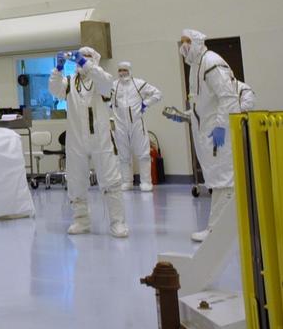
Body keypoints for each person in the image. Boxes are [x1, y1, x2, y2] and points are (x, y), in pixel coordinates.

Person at [164, 29, 239, 242]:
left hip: (218, 134)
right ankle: (222, 229)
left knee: (224, 181)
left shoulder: (211, 62)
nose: (184, 46)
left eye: (188, 41)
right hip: (207, 133)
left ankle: (218, 231)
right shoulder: (195, 67)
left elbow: (228, 98)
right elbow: (203, 106)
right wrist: (185, 116)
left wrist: (221, 126)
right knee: (217, 180)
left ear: (198, 42)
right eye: (182, 42)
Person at [49, 47, 128, 237]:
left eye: (87, 57)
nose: (82, 60)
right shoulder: (70, 82)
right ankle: (81, 220)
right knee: (76, 180)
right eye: (80, 56)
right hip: (76, 139)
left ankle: (117, 222)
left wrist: (86, 64)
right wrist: (58, 70)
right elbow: (55, 90)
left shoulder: (100, 80)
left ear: (94, 59)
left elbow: (106, 83)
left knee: (110, 180)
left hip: (100, 138)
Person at [110, 61, 162, 193]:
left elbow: (157, 94)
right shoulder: (114, 86)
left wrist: (145, 104)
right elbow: (105, 98)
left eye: (125, 70)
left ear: (130, 70)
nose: (122, 73)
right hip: (120, 124)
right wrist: (110, 106)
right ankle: (127, 181)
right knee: (123, 155)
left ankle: (146, 181)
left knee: (143, 153)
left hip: (136, 123)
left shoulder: (138, 84)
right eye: (120, 70)